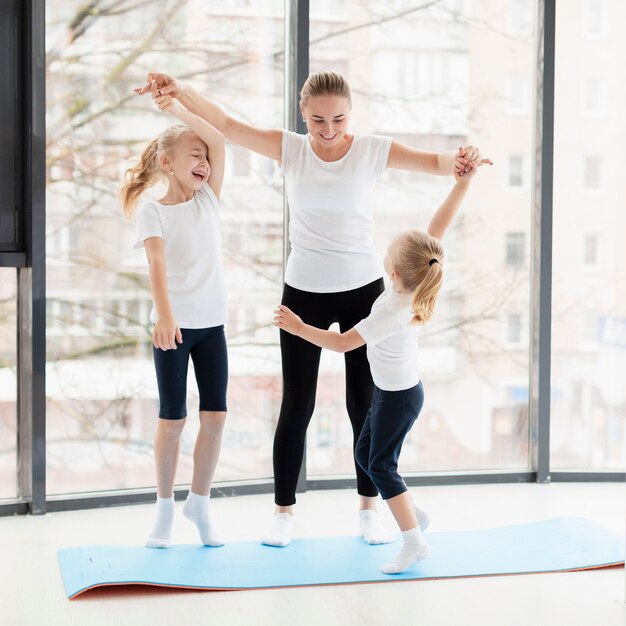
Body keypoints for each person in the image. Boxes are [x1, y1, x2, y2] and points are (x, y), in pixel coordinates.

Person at [135, 70, 486, 548]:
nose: (328, 128)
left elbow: (435, 162)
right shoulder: (292, 149)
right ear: (304, 114)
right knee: (296, 404)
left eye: (338, 119)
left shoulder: (370, 150)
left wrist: (461, 160)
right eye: (318, 119)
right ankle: (283, 511)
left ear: (350, 113)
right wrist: (181, 94)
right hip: (302, 289)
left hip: (363, 289)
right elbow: (228, 126)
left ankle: (368, 509)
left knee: (363, 404)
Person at [274, 159, 489, 573]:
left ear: (391, 272)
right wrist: (462, 185)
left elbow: (339, 342)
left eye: (387, 253)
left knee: (380, 465)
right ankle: (414, 514)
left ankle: (413, 542)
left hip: (397, 398)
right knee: (364, 452)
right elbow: (437, 229)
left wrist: (300, 327)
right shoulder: (420, 279)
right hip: (397, 392)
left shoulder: (390, 310)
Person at [119, 93, 228, 549]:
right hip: (173, 328)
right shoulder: (152, 210)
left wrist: (179, 111)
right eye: (194, 155)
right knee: (173, 418)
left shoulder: (208, 200)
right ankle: (163, 510)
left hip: (213, 326)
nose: (203, 161)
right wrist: (164, 316)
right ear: (167, 162)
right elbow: (156, 265)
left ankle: (198, 502)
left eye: (205, 157)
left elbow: (219, 140)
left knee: (216, 415)